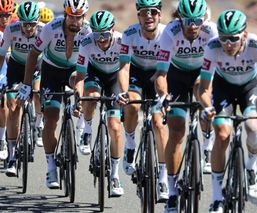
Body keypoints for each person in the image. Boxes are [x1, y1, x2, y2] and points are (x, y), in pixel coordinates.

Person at [17, 0, 91, 189]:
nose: (74, 21)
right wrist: (26, 85)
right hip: (51, 70)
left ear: (84, 17)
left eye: (78, 17)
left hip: (75, 71)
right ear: (65, 15)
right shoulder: (51, 28)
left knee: (82, 90)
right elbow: (33, 55)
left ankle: (81, 124)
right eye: (71, 17)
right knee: (51, 118)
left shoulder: (88, 31)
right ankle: (51, 167)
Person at [198, 9, 257, 212]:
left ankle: (251, 167)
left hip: (251, 87)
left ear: (245, 34)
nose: (227, 44)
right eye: (223, 38)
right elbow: (203, 88)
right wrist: (208, 106)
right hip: (223, 87)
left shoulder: (256, 45)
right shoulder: (212, 47)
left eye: (233, 39)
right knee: (221, 133)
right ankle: (218, 197)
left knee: (253, 126)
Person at [153, 0, 218, 211]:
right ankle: (172, 191)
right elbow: (161, 74)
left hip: (202, 74)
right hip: (177, 76)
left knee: (202, 93)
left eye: (197, 20)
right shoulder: (170, 33)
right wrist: (163, 96)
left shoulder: (211, 32)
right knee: (177, 130)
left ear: (204, 20)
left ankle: (207, 143)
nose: (192, 25)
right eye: (187, 20)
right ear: (179, 19)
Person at [116, 0, 169, 200]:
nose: (149, 16)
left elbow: (168, 70)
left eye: (153, 12)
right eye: (144, 12)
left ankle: (163, 178)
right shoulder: (129, 35)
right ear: (138, 15)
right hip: (136, 75)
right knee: (132, 105)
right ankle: (130, 145)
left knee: (159, 123)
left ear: (160, 15)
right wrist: (123, 92)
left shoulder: (166, 35)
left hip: (159, 76)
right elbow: (124, 68)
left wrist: (165, 95)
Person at [74, 10, 124, 196]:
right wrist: (78, 98)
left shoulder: (121, 41)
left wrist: (126, 94)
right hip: (94, 74)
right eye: (97, 35)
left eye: (104, 34)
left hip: (114, 78)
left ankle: (115, 175)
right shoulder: (86, 43)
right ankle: (87, 130)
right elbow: (79, 76)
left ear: (112, 30)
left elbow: (128, 69)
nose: (101, 39)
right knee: (92, 95)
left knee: (115, 127)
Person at [0, 1, 44, 175]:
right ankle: (11, 156)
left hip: (38, 68)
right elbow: (2, 55)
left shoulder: (43, 30)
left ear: (37, 20)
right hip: (17, 68)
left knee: (38, 94)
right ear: (19, 21)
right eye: (24, 24)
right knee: (12, 106)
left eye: (31, 24)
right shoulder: (11, 30)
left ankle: (38, 125)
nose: (28, 28)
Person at [0, 0, 16, 161]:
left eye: (7, 15)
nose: (4, 18)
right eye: (1, 15)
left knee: (6, 103)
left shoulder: (17, 27)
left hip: (13, 69)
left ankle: (2, 140)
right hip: (1, 67)